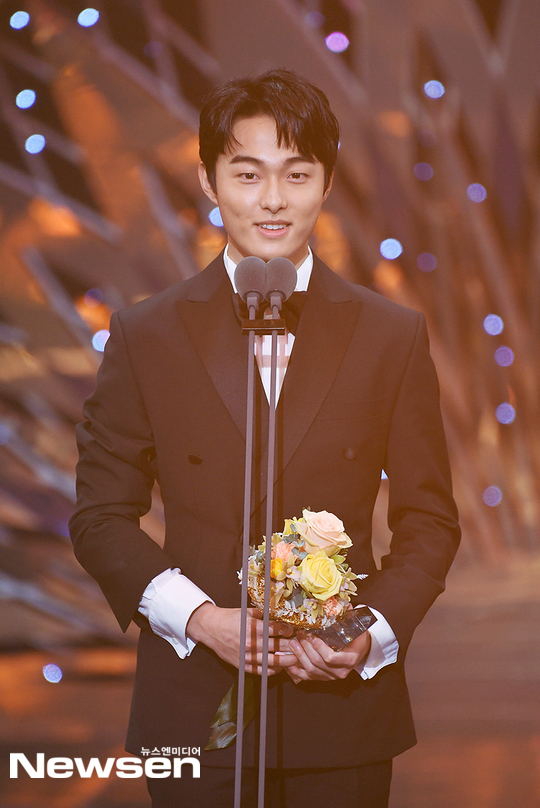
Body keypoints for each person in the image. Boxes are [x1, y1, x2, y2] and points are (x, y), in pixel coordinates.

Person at [70, 69, 460, 807]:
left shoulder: (391, 335)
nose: (273, 199)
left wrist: (366, 632)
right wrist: (200, 619)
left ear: (326, 182)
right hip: (195, 704)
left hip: (340, 710)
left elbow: (430, 520)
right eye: (248, 174)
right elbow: (100, 515)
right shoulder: (146, 333)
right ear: (209, 182)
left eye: (297, 174)